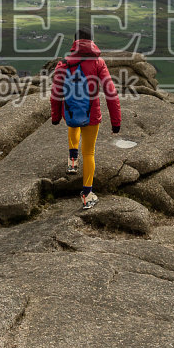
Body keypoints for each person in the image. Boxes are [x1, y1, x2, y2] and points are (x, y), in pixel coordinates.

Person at [49, 26, 122, 211]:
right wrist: (116, 122)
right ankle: (87, 193)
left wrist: (56, 116)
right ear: (91, 41)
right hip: (92, 115)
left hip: (71, 111)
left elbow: (55, 94)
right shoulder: (98, 62)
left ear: (74, 42)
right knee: (89, 153)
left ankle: (72, 161)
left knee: (73, 122)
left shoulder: (63, 63)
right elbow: (111, 93)